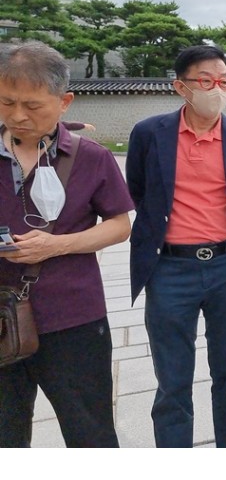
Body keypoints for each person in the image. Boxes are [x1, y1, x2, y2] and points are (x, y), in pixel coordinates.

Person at [126, 45, 226, 448]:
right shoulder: (149, 134)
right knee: (172, 381)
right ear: (181, 87)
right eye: (205, 81)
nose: (216, 89)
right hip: (170, 270)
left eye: (223, 81)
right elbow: (139, 191)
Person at [0, 41, 133, 448]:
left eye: (32, 106)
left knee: (90, 433)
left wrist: (57, 245)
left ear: (65, 102)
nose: (17, 116)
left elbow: (119, 226)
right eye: (6, 102)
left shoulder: (91, 157)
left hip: (74, 318)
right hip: (1, 317)